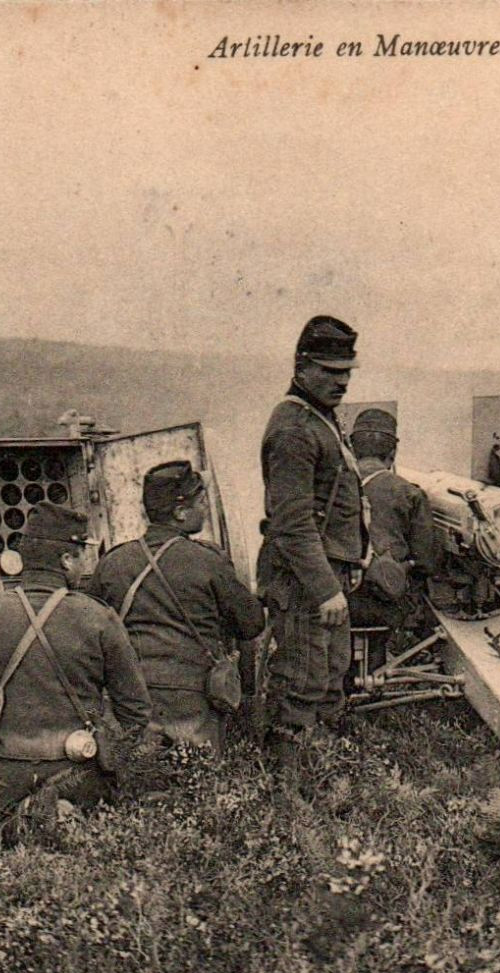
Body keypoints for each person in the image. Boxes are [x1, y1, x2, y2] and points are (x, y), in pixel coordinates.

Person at [0, 501, 151, 840]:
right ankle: (55, 814)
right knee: (78, 814)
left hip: (0, 775)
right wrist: (113, 760)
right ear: (66, 560)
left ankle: (20, 821)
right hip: (79, 773)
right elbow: (136, 710)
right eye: (80, 555)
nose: (83, 563)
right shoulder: (98, 617)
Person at [256, 315, 368, 777]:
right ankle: (286, 792)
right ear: (301, 367)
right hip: (304, 581)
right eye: (329, 371)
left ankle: (321, 775)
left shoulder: (318, 418)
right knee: (301, 681)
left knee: (329, 677)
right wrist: (325, 588)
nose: (341, 381)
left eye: (346, 372)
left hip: (326, 571)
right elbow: (292, 522)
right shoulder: (294, 429)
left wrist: (354, 559)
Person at [89, 460, 264, 751]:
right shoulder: (208, 561)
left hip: (130, 697)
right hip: (193, 700)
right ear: (181, 513)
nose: (205, 509)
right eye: (201, 502)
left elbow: (91, 632)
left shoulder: (112, 563)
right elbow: (251, 623)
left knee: (140, 775)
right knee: (198, 780)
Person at [344, 407, 433, 647]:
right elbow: (427, 561)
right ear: (392, 453)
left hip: (337, 601)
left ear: (352, 449)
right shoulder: (409, 493)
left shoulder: (332, 488)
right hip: (386, 603)